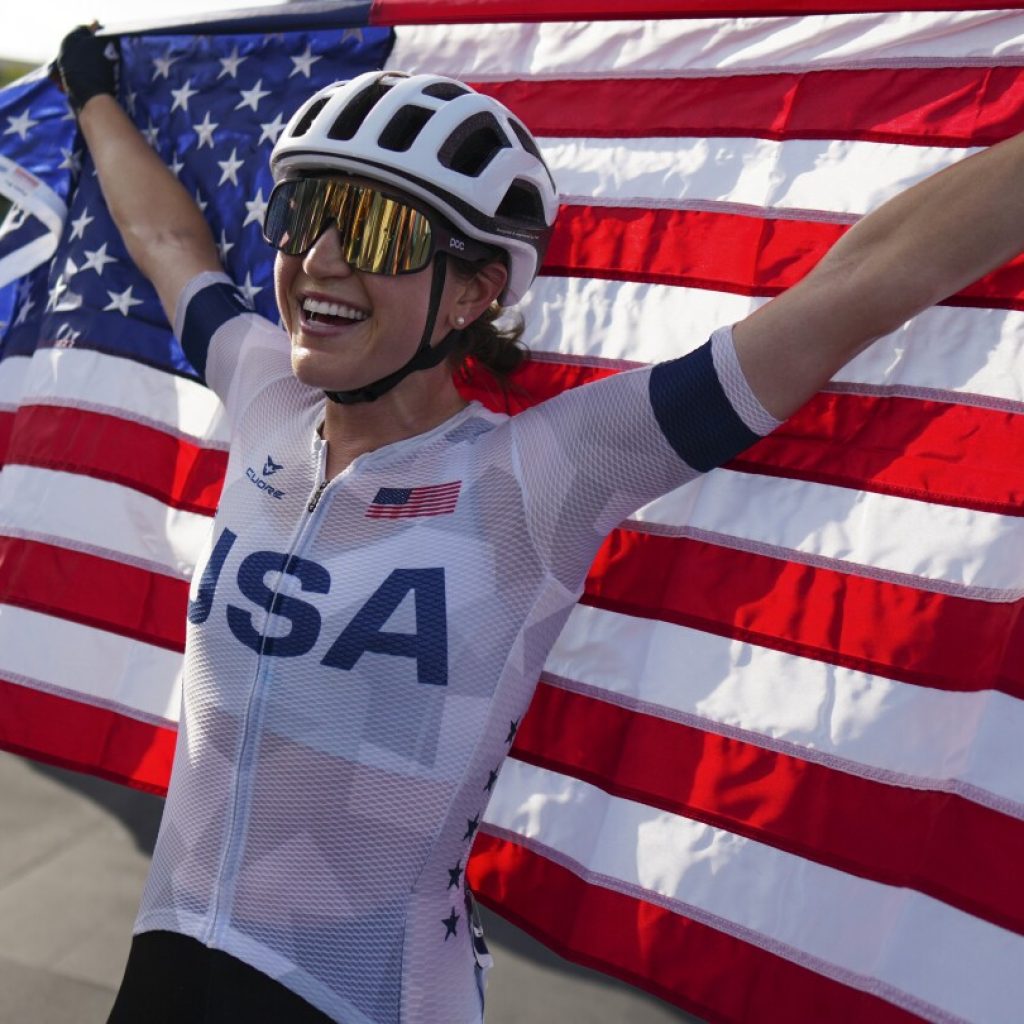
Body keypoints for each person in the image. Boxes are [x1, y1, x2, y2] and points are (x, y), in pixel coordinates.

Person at [53, 24, 1024, 1024]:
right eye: (307, 214)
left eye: (382, 231)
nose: (320, 260)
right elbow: (169, 242)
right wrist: (93, 95)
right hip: (165, 963)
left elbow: (861, 286)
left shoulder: (546, 470)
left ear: (476, 291)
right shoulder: (262, 388)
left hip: (360, 998)